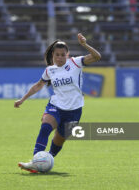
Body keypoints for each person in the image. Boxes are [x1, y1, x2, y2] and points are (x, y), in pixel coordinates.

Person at [14, 33, 101, 173]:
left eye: (62, 54)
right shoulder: (50, 70)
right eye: (57, 55)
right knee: (45, 127)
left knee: (59, 140)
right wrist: (22, 99)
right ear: (52, 55)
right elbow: (38, 85)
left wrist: (84, 45)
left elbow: (97, 57)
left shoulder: (75, 62)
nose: (60, 58)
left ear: (67, 54)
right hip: (56, 106)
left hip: (74, 110)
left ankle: (46, 159)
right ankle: (35, 161)